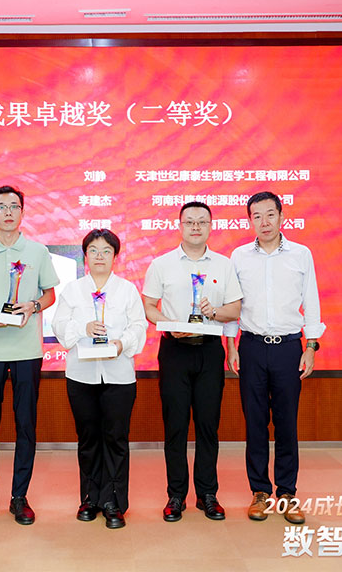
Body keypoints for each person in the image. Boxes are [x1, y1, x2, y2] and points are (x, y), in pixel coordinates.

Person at [225, 191, 325, 525]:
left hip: (288, 348)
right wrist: (231, 346)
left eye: (270, 214)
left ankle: (287, 493)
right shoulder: (239, 257)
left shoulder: (301, 254)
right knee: (254, 423)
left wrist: (311, 346)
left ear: (282, 216)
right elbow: (233, 304)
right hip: (251, 347)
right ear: (249, 220)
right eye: (257, 216)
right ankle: (259, 491)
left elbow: (311, 300)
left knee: (286, 423)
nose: (264, 222)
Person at [0, 185, 59, 526]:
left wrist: (33, 306)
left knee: (25, 424)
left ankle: (20, 496)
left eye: (14, 206)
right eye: (1, 206)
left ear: (22, 212)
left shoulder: (37, 251)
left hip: (26, 349)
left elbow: (49, 295)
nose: (7, 212)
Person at [141, 202, 242, 522]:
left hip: (209, 351)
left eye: (202, 222)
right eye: (189, 222)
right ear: (180, 226)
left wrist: (216, 312)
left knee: (208, 425)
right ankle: (176, 495)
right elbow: (148, 305)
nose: (196, 227)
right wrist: (168, 324)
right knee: (175, 425)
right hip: (174, 351)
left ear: (210, 226)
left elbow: (235, 309)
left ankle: (208, 494)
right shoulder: (162, 264)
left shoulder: (224, 265)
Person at [52, 229, 146, 529]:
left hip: (119, 375)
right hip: (81, 376)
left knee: (116, 439)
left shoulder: (127, 290)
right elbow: (59, 325)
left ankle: (114, 501)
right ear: (85, 256)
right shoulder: (73, 290)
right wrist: (84, 327)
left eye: (106, 251)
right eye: (93, 250)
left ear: (115, 256)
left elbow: (139, 326)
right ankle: (90, 498)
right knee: (88, 439)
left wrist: (121, 344)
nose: (100, 256)